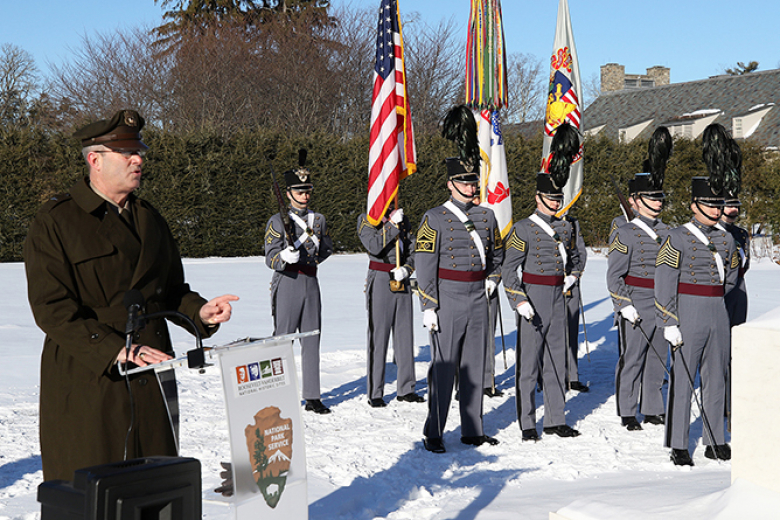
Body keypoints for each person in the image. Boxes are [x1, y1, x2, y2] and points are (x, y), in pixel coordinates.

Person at [23, 110, 238, 482]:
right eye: (127, 153)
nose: (138, 159)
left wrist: (200, 313)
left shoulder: (149, 218)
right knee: (95, 489)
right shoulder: (56, 221)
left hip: (152, 375)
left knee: (153, 485)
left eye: (138, 151)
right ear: (95, 160)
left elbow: (169, 290)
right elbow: (52, 309)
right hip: (91, 378)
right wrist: (114, 350)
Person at [416, 105, 503, 453]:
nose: (469, 187)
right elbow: (425, 263)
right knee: (444, 368)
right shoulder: (434, 217)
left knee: (474, 366)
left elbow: (497, 254)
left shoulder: (486, 217)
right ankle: (434, 431)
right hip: (448, 297)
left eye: (473, 181)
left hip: (477, 296)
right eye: (464, 182)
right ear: (450, 183)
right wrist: (429, 305)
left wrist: (494, 277)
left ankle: (472, 429)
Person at [655, 123, 738, 466]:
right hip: (686, 309)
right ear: (694, 205)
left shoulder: (726, 239)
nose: (716, 210)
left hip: (717, 308)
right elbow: (664, 279)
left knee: (716, 375)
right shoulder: (677, 237)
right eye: (709, 204)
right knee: (684, 377)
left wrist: (717, 301)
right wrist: (668, 320)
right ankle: (678, 443)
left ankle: (714, 438)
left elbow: (730, 276)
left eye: (718, 204)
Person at [502, 122, 582, 441]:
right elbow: (509, 270)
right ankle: (527, 422)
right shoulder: (523, 229)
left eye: (557, 197)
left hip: (558, 296)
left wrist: (574, 275)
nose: (555, 201)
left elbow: (574, 257)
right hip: (533, 295)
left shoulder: (566, 228)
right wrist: (519, 301)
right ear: (538, 197)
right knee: (528, 365)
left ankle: (555, 419)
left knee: (555, 359)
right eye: (549, 197)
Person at [607, 126, 673, 431]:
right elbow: (614, 274)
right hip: (635, 299)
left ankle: (653, 407)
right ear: (636, 200)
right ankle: (627, 409)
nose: (658, 202)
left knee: (659, 356)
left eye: (660, 197)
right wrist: (624, 304)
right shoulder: (625, 232)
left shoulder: (669, 232)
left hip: (662, 302)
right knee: (632, 357)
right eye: (652, 198)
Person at [265, 150, 333, 414]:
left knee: (312, 338)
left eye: (308, 191)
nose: (305, 196)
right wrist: (283, 256)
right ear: (289, 193)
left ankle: (312, 396)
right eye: (300, 191)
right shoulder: (276, 221)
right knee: (283, 340)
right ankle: (277, 394)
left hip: (310, 282)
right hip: (287, 282)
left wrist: (310, 260)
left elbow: (326, 248)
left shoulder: (318, 220)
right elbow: (269, 258)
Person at [357, 202, 422, 407]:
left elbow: (414, 249)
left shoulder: (402, 217)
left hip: (401, 278)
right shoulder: (367, 220)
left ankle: (406, 388)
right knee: (379, 336)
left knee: (405, 335)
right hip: (380, 277)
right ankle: (375, 391)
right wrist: (391, 225)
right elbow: (374, 246)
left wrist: (407, 268)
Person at [564, 214, 588, 392]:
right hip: (547, 285)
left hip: (571, 284)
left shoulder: (572, 222)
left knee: (572, 331)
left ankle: (572, 376)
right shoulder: (534, 222)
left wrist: (575, 275)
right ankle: (544, 376)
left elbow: (581, 251)